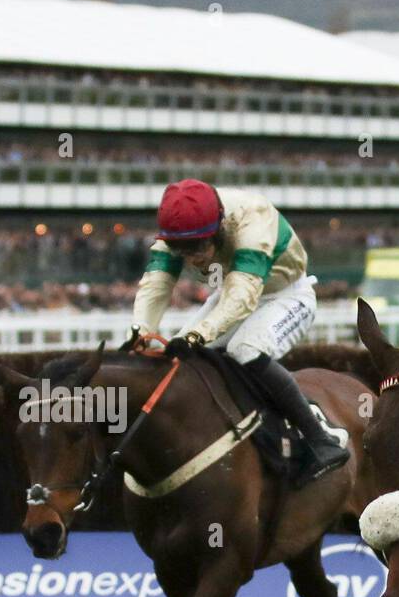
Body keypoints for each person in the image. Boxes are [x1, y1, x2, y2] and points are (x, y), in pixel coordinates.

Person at [132, 179, 348, 480]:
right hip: (229, 294)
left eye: (197, 247)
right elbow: (156, 284)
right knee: (175, 358)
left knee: (244, 349)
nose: (192, 258)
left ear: (219, 224)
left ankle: (320, 438)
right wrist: (140, 332)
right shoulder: (177, 231)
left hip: (285, 296)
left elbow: (242, 296)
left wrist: (199, 335)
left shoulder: (253, 218)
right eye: (181, 250)